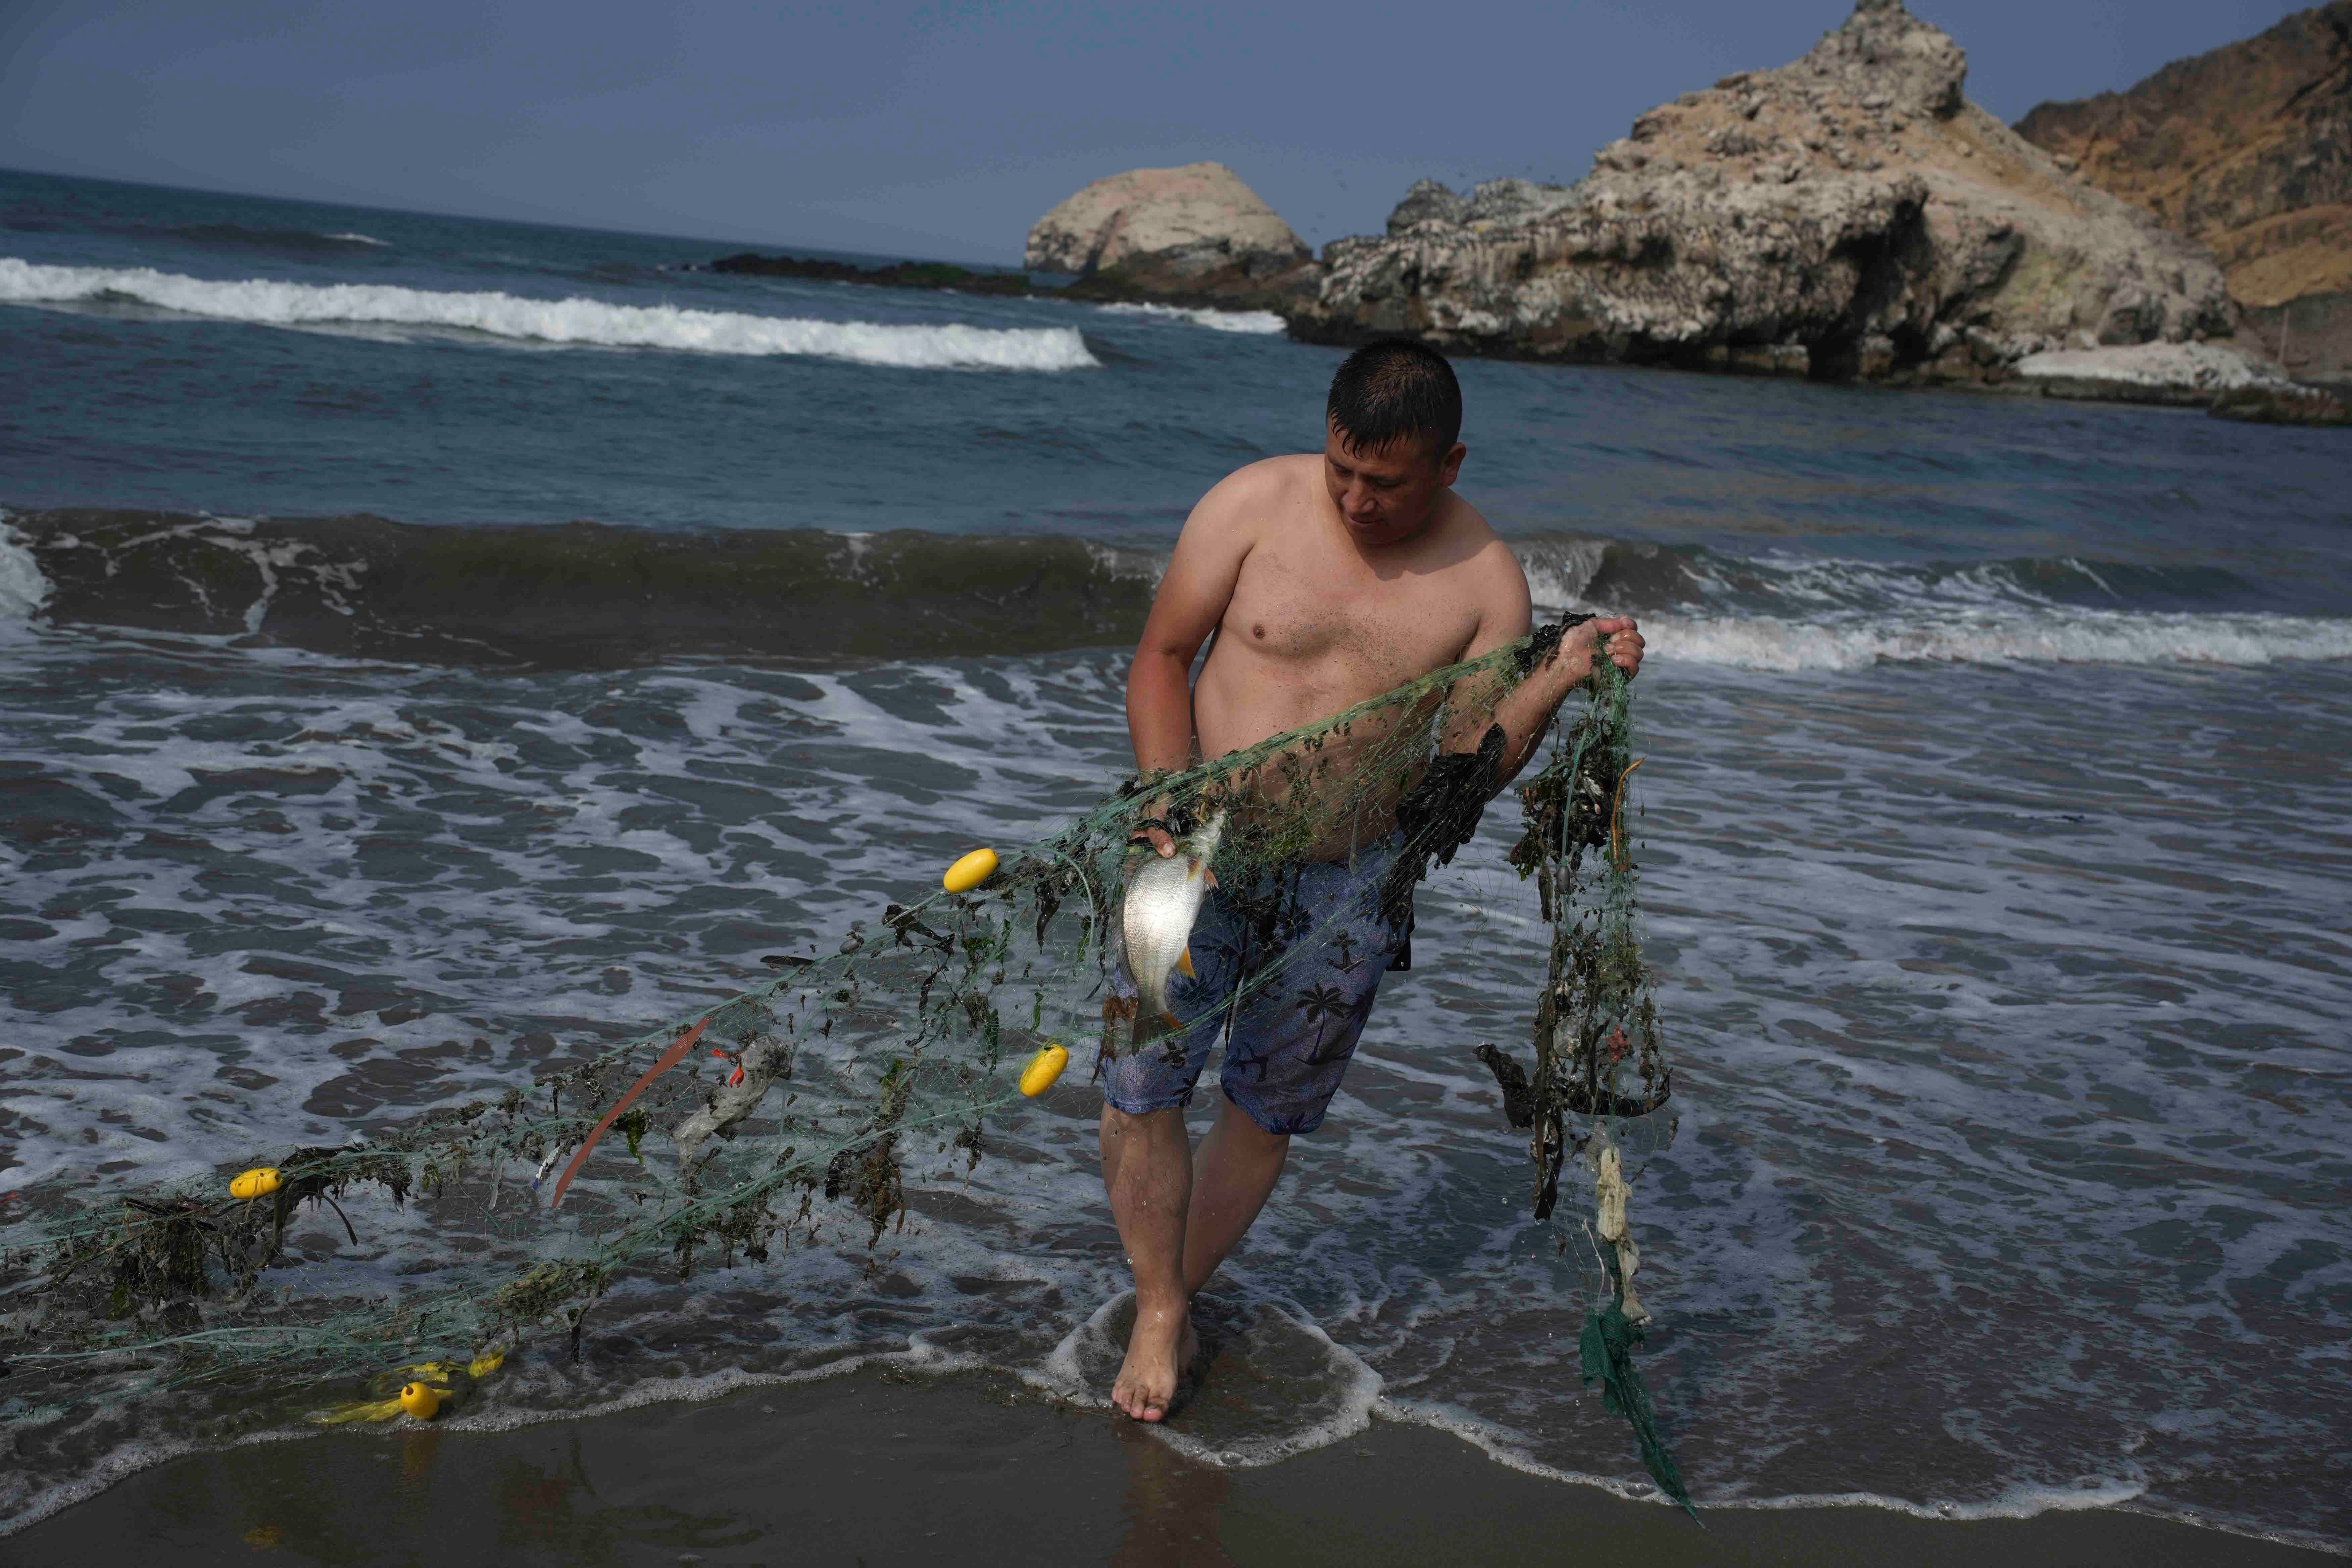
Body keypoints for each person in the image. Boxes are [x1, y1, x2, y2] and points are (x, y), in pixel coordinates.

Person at [1099, 339, 1647, 1422]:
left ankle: (1169, 1302)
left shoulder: (1484, 584)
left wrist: (1558, 678)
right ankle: (1161, 1304)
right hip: (1193, 847)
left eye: (1387, 483)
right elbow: (1161, 658)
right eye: (1342, 468)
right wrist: (1162, 793)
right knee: (1140, 1088)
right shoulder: (1250, 506)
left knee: (1266, 1113)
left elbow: (1464, 771)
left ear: (1449, 464)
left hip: (1347, 884)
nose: (1356, 499)